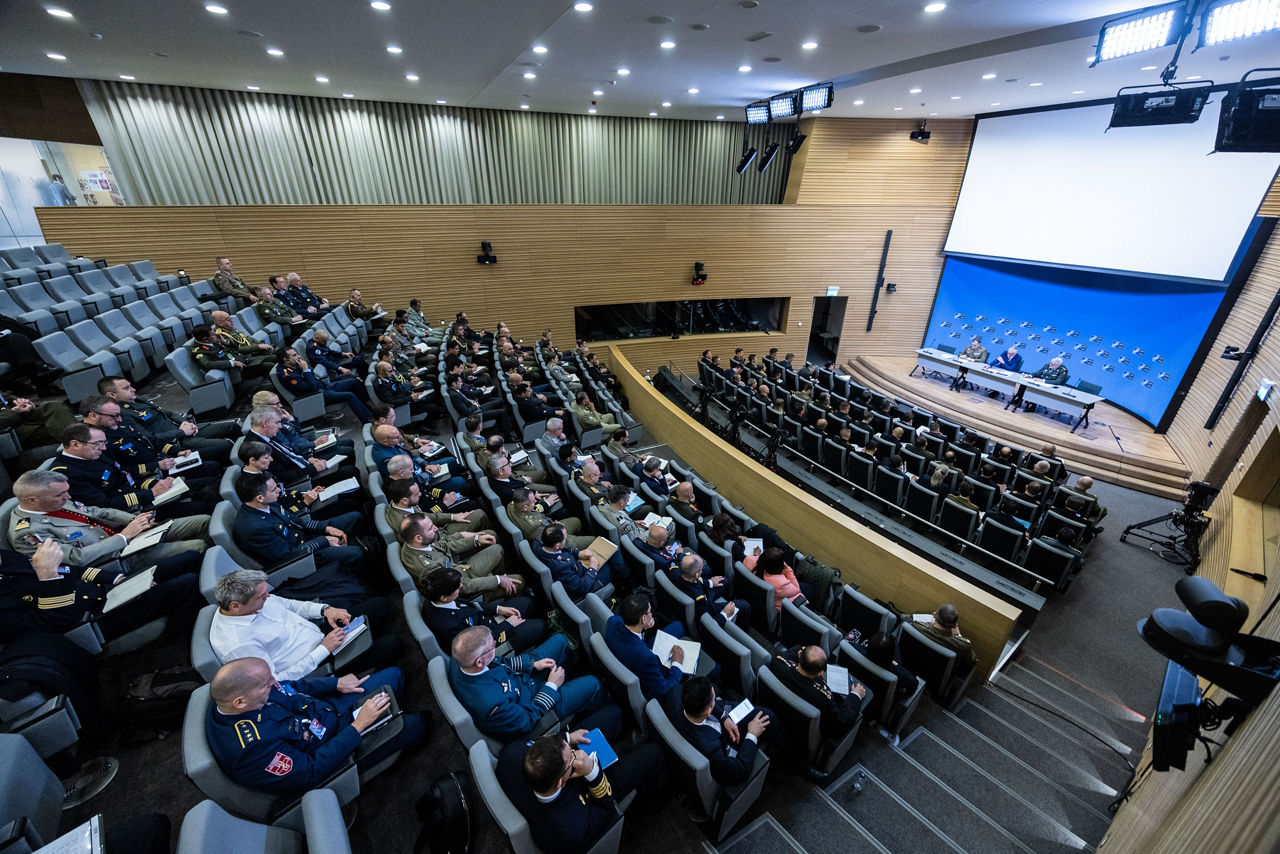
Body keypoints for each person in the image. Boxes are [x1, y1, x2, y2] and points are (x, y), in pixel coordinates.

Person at [205, 656, 425, 794]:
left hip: (327, 709)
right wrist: (358, 726)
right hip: (334, 744)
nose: (274, 683)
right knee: (413, 725)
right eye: (266, 684)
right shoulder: (251, 748)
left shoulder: (246, 693)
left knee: (393, 675)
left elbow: (293, 686)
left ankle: (396, 722)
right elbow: (310, 771)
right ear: (240, 703)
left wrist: (336, 683)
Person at [0, 539, 201, 645]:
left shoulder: (4, 560)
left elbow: (69, 569)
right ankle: (193, 639)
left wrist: (113, 578)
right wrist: (49, 578)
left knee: (189, 558)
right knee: (187, 583)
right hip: (88, 622)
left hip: (103, 590)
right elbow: (52, 626)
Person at [497, 728, 663, 854]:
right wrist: (592, 772)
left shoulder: (511, 755)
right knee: (654, 752)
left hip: (567, 778)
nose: (578, 753)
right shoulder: (571, 829)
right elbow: (607, 810)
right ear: (560, 782)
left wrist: (568, 738)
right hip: (595, 795)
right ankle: (647, 804)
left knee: (612, 715)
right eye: (572, 757)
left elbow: (539, 746)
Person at [210, 569, 398, 680]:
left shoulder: (252, 601)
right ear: (236, 606)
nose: (268, 597)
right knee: (393, 646)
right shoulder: (238, 645)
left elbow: (289, 604)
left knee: (379, 606)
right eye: (262, 596)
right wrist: (324, 650)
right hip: (317, 664)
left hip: (318, 634)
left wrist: (325, 610)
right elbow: (277, 681)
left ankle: (365, 650)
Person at [9, 470, 208, 571]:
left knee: (203, 521)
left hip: (131, 535)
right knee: (197, 546)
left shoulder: (55, 500)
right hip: (117, 557)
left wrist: (136, 520)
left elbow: (99, 512)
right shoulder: (27, 533)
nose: (68, 498)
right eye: (60, 495)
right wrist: (124, 536)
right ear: (32, 500)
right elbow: (76, 558)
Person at [448, 625, 616, 742]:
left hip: (521, 681)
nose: (496, 646)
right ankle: (598, 713)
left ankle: (570, 679)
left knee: (560, 640)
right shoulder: (491, 705)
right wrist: (551, 686)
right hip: (533, 705)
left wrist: (532, 664)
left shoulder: (461, 658)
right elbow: (527, 720)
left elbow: (499, 663)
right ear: (479, 661)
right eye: (492, 647)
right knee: (593, 684)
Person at [53, 423, 211, 520]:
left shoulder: (94, 453)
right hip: (133, 513)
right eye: (98, 444)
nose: (104, 447)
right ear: (75, 444)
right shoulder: (67, 474)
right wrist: (151, 493)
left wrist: (155, 484)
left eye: (104, 442)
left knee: (207, 483)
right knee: (201, 506)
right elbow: (104, 506)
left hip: (141, 493)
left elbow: (124, 475)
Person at [232, 474, 372, 582]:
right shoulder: (254, 529)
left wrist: (326, 528)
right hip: (303, 556)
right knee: (356, 554)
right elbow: (290, 555)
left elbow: (296, 521)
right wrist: (324, 540)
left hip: (304, 537)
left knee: (354, 517)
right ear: (260, 498)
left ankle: (368, 545)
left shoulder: (267, 503)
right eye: (274, 490)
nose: (279, 492)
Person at [668, 676, 771, 786]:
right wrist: (752, 735)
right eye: (714, 698)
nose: (716, 698)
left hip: (719, 724)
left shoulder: (675, 694)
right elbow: (739, 771)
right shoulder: (710, 749)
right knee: (768, 716)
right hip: (728, 746)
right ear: (708, 711)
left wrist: (723, 717)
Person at [100, 375, 239, 456]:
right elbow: (149, 438)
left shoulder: (138, 399)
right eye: (126, 388)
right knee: (225, 445)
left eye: (130, 386)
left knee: (232, 427)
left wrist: (184, 422)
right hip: (176, 441)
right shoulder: (122, 415)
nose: (133, 389)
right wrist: (181, 432)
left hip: (184, 429)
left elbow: (167, 413)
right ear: (111, 395)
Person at [422, 567, 545, 654]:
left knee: (526, 602)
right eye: (457, 587)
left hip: (486, 622)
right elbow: (481, 646)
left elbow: (470, 605)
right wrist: (509, 624)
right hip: (492, 642)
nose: (460, 586)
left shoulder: (434, 596)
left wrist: (498, 609)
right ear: (444, 597)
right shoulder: (449, 627)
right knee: (541, 626)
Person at [398, 513, 518, 601]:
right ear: (418, 538)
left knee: (496, 548)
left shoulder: (413, 544)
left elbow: (444, 546)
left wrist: (475, 540)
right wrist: (497, 580)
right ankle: (507, 595)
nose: (436, 528)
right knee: (519, 581)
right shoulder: (427, 568)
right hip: (461, 585)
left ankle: (503, 577)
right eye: (430, 528)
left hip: (456, 569)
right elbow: (462, 587)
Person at [768, 645, 869, 740]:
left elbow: (791, 653)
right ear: (821, 672)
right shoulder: (822, 699)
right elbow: (839, 725)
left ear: (799, 654)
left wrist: (805, 651)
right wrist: (856, 696)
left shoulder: (777, 664)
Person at [604, 593, 690, 702]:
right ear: (644, 618)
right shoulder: (647, 659)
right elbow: (663, 690)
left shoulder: (613, 621)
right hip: (643, 666)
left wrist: (643, 628)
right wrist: (677, 664)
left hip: (630, 651)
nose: (651, 614)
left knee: (678, 626)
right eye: (650, 611)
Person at [535, 523, 630, 598]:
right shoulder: (560, 567)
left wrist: (578, 553)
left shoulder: (539, 544)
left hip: (578, 568)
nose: (566, 540)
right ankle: (626, 586)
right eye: (565, 539)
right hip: (584, 583)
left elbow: (563, 550)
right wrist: (592, 569)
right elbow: (581, 587)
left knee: (612, 552)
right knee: (611, 563)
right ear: (557, 545)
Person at [277, 347, 372, 421]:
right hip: (317, 395)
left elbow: (312, 377)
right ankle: (367, 419)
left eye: (297, 354)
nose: (298, 357)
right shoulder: (287, 375)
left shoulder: (294, 365)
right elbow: (311, 388)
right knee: (349, 395)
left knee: (353, 382)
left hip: (325, 387)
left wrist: (306, 370)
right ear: (286, 360)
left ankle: (369, 405)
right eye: (294, 355)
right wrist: (305, 370)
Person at [384, 476, 488, 534]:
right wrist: (468, 536)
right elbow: (431, 540)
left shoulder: (399, 502)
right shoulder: (407, 524)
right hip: (438, 535)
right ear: (405, 500)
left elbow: (427, 516)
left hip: (432, 527)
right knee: (479, 514)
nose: (420, 494)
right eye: (416, 494)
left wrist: (453, 517)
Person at [671, 553, 749, 630]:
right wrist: (724, 614)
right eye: (701, 568)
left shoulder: (674, 571)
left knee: (724, 580)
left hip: (698, 592)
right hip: (706, 606)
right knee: (744, 605)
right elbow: (705, 624)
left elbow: (696, 581)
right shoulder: (700, 598)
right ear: (697, 574)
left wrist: (710, 583)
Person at [913, 604, 977, 673]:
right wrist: (959, 636)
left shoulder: (917, 626)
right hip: (938, 676)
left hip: (913, 665)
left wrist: (930, 625)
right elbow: (973, 662)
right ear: (955, 625)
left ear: (934, 615)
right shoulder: (962, 646)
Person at [743, 547, 812, 611]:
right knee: (807, 588)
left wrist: (756, 555)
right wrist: (787, 568)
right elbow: (797, 589)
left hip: (755, 598)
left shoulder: (748, 559)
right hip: (776, 607)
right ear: (779, 566)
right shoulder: (780, 584)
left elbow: (755, 562)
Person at [506, 487, 584, 543]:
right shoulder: (532, 527)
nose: (536, 501)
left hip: (548, 525)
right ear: (525, 507)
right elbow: (548, 539)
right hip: (552, 539)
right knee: (577, 522)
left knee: (574, 520)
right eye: (533, 501)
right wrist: (557, 527)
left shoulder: (511, 505)